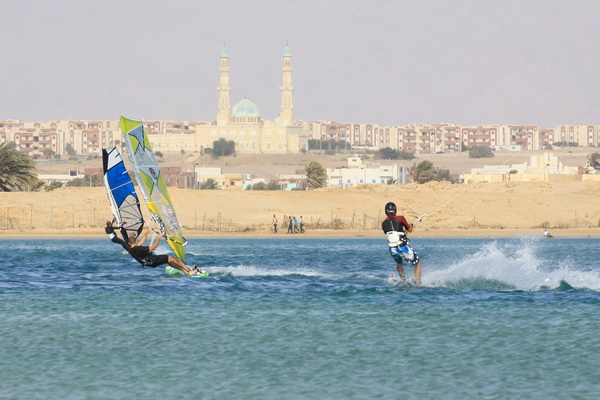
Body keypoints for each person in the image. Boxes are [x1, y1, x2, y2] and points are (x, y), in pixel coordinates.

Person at [128, 227, 202, 276]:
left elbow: (141, 242)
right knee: (171, 258)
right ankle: (188, 271)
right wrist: (159, 238)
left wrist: (147, 232)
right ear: (135, 241)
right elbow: (153, 247)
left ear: (129, 244)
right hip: (153, 260)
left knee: (171, 260)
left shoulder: (132, 250)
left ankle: (186, 271)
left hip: (148, 263)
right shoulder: (139, 249)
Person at [381, 202, 422, 285]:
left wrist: (403, 232)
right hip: (402, 247)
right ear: (395, 210)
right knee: (417, 263)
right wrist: (411, 227)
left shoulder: (383, 223)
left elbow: (393, 232)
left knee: (399, 263)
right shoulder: (401, 218)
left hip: (392, 249)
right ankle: (418, 283)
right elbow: (409, 229)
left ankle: (403, 280)